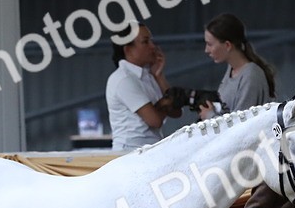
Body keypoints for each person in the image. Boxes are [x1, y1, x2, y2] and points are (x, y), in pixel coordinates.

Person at [105, 23, 181, 151]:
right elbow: (154, 120)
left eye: (151, 41)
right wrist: (166, 102)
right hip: (129, 153)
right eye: (145, 42)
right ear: (128, 50)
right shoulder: (124, 79)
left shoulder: (148, 76)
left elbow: (176, 111)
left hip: (149, 150)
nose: (153, 47)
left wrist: (159, 76)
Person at [198, 13, 277, 118]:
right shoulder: (231, 69)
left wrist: (211, 116)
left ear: (227, 45)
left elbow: (240, 125)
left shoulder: (251, 76)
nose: (206, 50)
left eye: (210, 44)